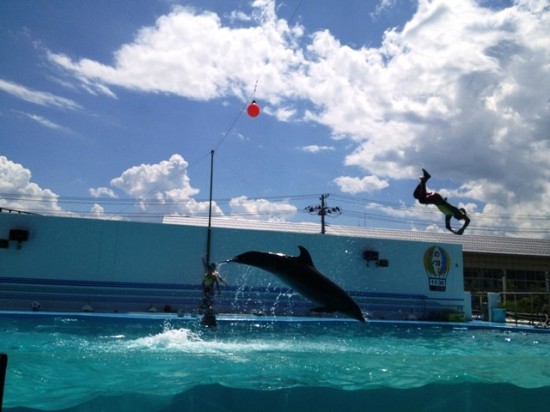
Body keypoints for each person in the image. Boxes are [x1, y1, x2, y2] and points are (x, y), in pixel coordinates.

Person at [413, 169, 470, 235]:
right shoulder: (456, 210)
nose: (457, 219)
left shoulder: (449, 214)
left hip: (435, 198)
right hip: (437, 199)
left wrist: (455, 232)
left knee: (416, 195)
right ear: (461, 214)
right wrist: (462, 229)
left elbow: (447, 227)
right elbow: (468, 220)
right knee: (422, 200)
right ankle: (424, 180)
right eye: (459, 218)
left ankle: (425, 179)